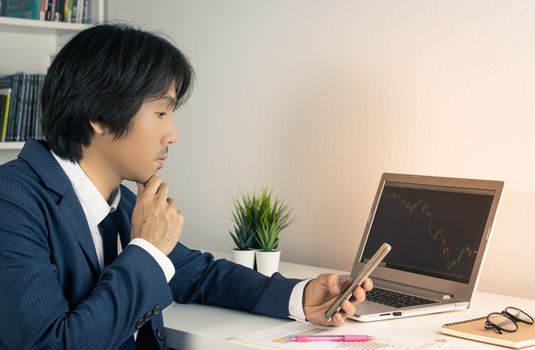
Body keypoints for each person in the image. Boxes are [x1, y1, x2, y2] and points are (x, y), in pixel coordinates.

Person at [0, 24, 372, 350]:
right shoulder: (12, 200)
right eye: (161, 112)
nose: (173, 134)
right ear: (97, 115)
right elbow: (51, 343)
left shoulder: (122, 201)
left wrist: (300, 296)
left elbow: (201, 276)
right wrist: (145, 250)